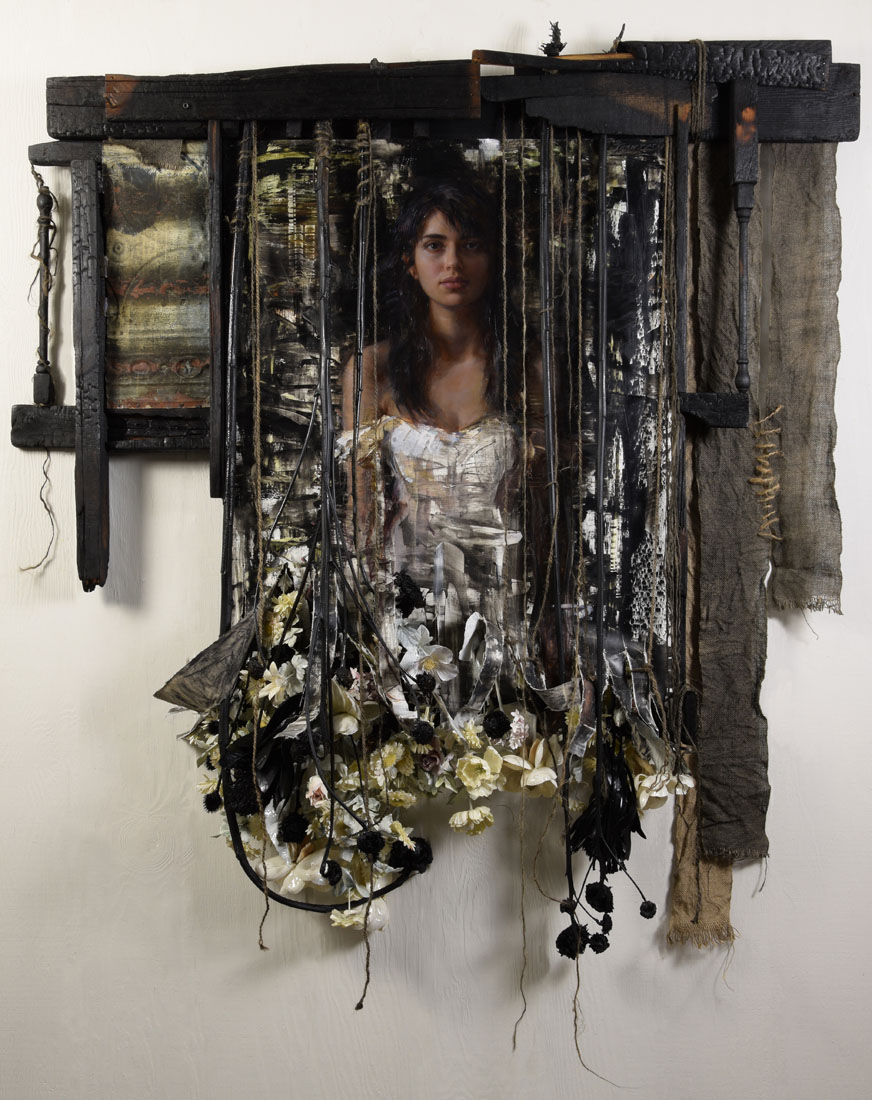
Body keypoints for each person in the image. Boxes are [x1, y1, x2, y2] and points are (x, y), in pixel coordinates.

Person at [341, 178, 536, 716]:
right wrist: (369, 610)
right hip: (403, 595)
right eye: (435, 245)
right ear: (410, 260)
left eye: (470, 244)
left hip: (501, 595)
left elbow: (543, 504)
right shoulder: (373, 370)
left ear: (493, 258)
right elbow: (361, 507)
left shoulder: (526, 368)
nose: (453, 262)